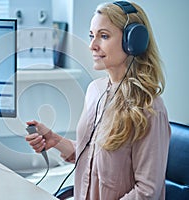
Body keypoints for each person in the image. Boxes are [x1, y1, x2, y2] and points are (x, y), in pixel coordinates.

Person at [25, 1, 171, 200]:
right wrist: (56, 141)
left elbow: (147, 192)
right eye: (92, 36)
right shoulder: (96, 90)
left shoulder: (149, 107)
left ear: (132, 42)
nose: (92, 46)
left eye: (104, 36)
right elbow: (95, 157)